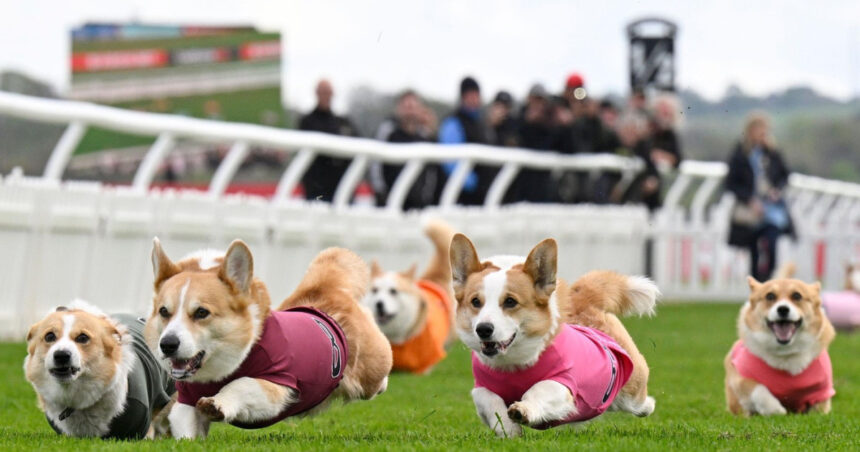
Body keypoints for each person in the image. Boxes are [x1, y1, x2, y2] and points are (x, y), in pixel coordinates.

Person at [725, 112, 795, 281]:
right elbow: (731, 182)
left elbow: (784, 175)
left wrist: (776, 190)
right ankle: (757, 286)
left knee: (771, 243)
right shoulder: (741, 153)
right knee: (754, 249)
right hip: (751, 209)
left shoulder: (772, 152)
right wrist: (749, 199)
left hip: (772, 208)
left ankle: (768, 280)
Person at [370, 90, 441, 210]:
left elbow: (431, 173)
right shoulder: (388, 133)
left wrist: (426, 198)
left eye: (413, 107)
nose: (410, 111)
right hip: (389, 204)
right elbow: (375, 164)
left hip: (418, 207)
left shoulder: (425, 138)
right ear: (399, 109)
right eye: (406, 107)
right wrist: (381, 193)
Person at [299, 79, 359, 201]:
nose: (326, 96)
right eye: (323, 92)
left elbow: (358, 147)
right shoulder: (307, 122)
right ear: (316, 94)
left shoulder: (343, 122)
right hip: (317, 190)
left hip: (342, 188)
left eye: (328, 92)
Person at [438, 76, 492, 205]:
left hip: (482, 194)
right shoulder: (452, 122)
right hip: (462, 195)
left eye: (476, 95)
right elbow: (450, 160)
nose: (474, 99)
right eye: (470, 95)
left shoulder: (482, 124)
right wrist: (471, 184)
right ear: (463, 97)